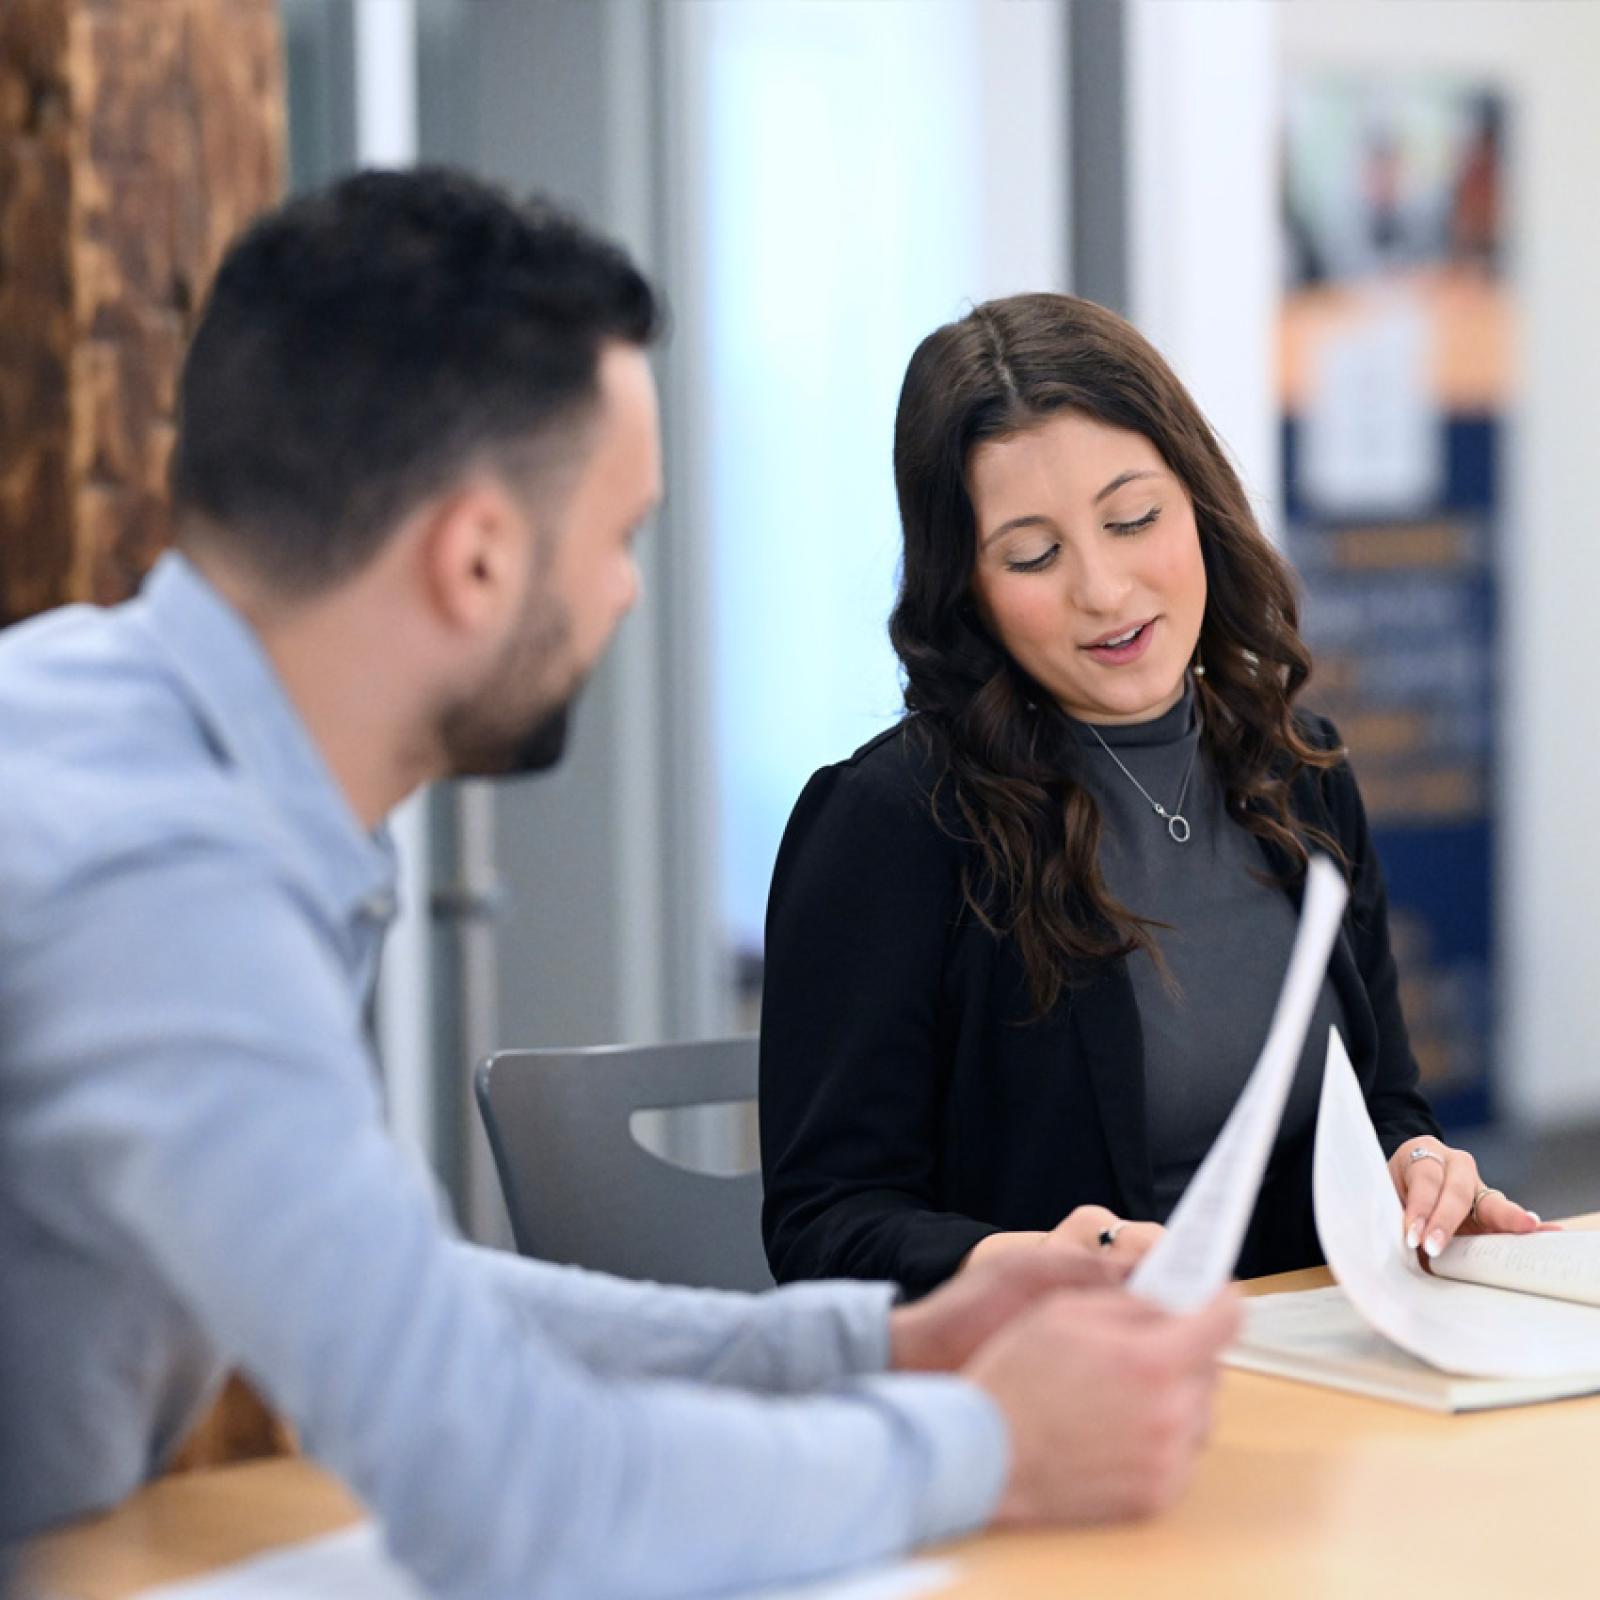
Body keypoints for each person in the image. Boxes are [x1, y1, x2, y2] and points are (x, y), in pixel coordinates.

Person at [0, 175, 1241, 1596]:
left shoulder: (101, 734)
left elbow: (409, 1301)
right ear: (475, 558)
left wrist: (883, 1345)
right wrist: (991, 1444)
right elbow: (507, 1489)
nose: (625, 596)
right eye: (619, 537)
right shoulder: (157, 884)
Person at [759, 291, 1540, 1300]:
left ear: (1198, 505)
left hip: (1298, 1373)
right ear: (968, 586)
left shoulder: (1296, 772)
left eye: (1132, 519)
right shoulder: (894, 821)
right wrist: (1022, 1261)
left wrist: (1418, 1167)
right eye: (1033, 555)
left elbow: (1383, 1100)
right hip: (1048, 1394)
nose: (1104, 588)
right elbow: (823, 1224)